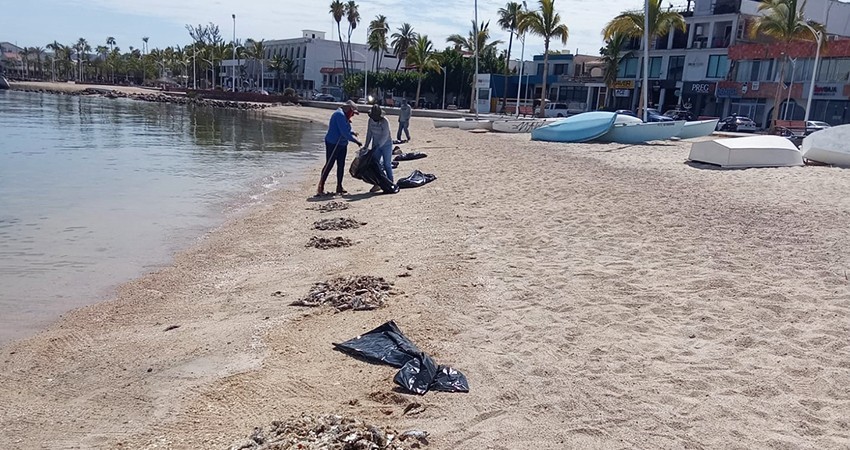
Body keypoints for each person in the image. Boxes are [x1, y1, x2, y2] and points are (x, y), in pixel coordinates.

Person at [318, 100, 362, 196]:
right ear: (349, 109)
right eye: (352, 113)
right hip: (333, 143)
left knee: (341, 165)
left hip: (342, 144)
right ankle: (321, 186)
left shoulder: (345, 116)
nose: (353, 115)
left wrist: (352, 132)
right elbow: (344, 133)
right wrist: (356, 141)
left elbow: (348, 129)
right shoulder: (339, 115)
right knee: (329, 164)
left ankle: (339, 186)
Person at [364, 104, 394, 192]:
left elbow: (385, 135)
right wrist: (366, 145)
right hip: (375, 144)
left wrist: (379, 146)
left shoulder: (385, 121)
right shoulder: (370, 121)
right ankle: (377, 183)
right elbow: (369, 133)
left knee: (387, 164)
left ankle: (391, 182)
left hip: (386, 144)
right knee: (376, 165)